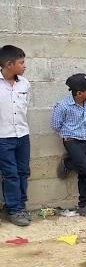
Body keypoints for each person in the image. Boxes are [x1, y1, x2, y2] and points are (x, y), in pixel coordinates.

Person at [52, 74, 86, 217]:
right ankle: (68, 162)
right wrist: (68, 135)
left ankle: (84, 205)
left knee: (85, 174)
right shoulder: (63, 106)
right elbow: (56, 125)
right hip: (71, 140)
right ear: (79, 93)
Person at [0, 45, 31, 226]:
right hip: (3, 138)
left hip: (22, 135)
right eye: (21, 62)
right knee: (10, 173)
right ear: (9, 64)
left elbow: (24, 108)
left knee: (23, 172)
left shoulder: (24, 84)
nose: (24, 66)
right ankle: (14, 209)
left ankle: (20, 205)